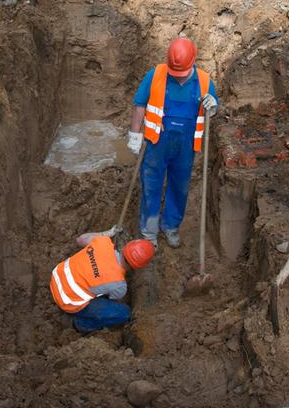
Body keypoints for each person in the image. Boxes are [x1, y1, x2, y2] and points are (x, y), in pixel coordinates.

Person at [126, 37, 218, 247]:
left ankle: (171, 226)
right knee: (151, 185)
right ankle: (149, 232)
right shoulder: (155, 75)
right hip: (157, 143)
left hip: (185, 147)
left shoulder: (204, 81)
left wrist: (213, 105)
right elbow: (140, 104)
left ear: (193, 61)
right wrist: (135, 133)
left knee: (180, 186)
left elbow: (211, 108)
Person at [50, 233, 154, 334]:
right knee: (124, 313)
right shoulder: (119, 285)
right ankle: (78, 324)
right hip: (68, 302)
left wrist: (109, 232)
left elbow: (80, 240)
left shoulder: (103, 241)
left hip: (56, 278)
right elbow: (114, 301)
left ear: (126, 246)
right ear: (137, 267)